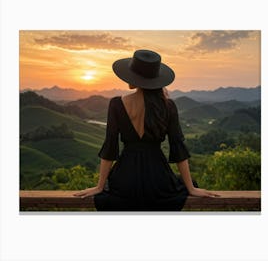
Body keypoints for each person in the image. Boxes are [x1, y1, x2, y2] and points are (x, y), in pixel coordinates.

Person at [74, 50, 219, 211]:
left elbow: (110, 147)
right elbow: (178, 148)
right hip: (159, 181)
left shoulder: (116, 104)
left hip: (125, 181)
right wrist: (191, 188)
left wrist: (99, 186)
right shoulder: (168, 106)